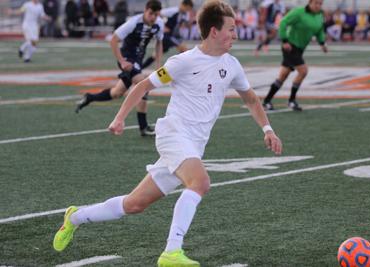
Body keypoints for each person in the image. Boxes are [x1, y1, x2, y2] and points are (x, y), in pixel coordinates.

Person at [52, 1, 283, 266]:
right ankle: (172, 251)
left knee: (134, 204)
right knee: (200, 182)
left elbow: (252, 100)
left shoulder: (231, 65)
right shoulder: (183, 62)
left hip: (193, 145)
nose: (236, 34)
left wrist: (268, 129)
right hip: (173, 134)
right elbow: (141, 88)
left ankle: (75, 217)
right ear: (213, 31)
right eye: (231, 29)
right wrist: (119, 119)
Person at [75, 0, 164, 137]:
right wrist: (122, 61)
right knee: (144, 83)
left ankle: (90, 97)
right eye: (151, 13)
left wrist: (159, 66)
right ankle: (143, 126)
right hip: (127, 59)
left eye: (156, 15)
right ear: (145, 10)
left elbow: (159, 43)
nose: (153, 17)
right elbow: (114, 39)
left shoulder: (159, 24)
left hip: (138, 61)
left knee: (117, 92)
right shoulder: (133, 22)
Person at [262, 0, 327, 111]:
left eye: (320, 3)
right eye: (316, 3)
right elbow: (283, 22)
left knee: (283, 76)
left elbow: (319, 30)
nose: (318, 6)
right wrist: (285, 40)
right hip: (290, 47)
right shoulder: (298, 12)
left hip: (300, 49)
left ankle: (266, 101)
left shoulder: (319, 15)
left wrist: (322, 43)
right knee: (303, 71)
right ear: (310, 2)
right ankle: (291, 100)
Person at [142, 0, 194, 69]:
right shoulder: (173, 11)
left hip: (171, 36)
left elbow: (184, 24)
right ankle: (182, 68)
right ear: (183, 5)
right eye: (187, 8)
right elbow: (159, 14)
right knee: (184, 49)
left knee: (155, 56)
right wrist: (162, 26)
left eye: (189, 10)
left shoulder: (183, 15)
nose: (187, 10)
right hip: (167, 36)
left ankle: (141, 67)